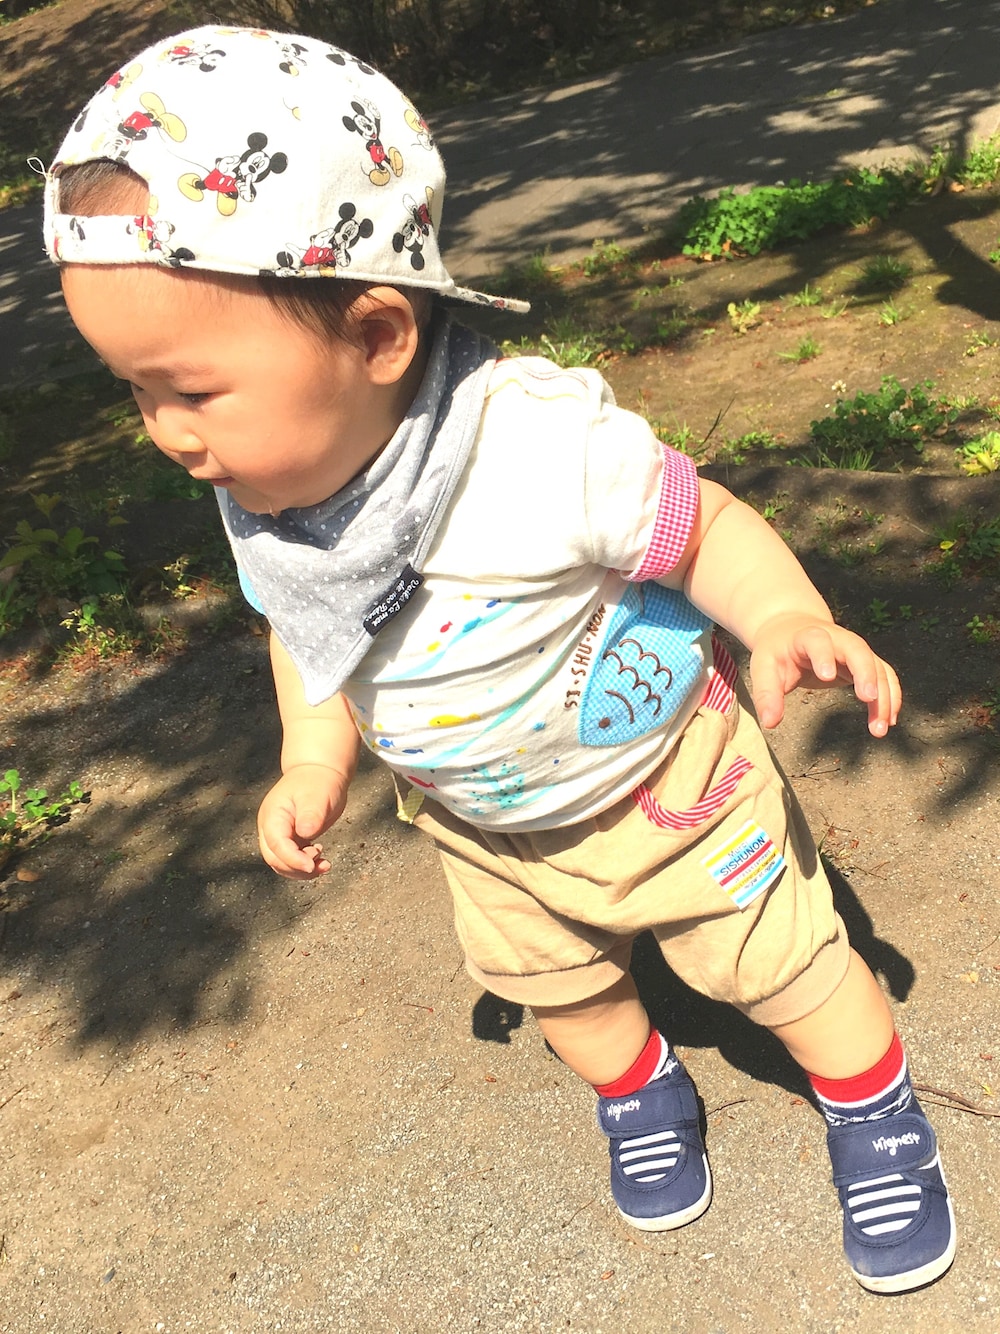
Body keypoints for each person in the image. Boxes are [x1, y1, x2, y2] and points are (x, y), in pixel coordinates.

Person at [43, 24, 956, 1295]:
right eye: (134, 391)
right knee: (560, 989)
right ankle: (638, 1085)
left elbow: (703, 528)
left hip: (669, 790)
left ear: (375, 334)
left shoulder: (531, 446)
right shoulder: (269, 490)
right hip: (484, 827)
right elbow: (308, 630)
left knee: (791, 970)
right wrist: (313, 754)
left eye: (189, 389)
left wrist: (783, 615)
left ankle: (874, 1107)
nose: (166, 432)